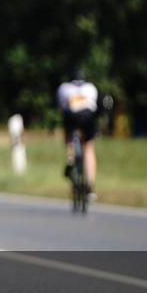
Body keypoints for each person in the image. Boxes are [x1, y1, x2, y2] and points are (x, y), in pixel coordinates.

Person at [57, 69, 99, 200]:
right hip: (88, 117)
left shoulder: (64, 88)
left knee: (69, 137)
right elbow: (95, 107)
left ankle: (70, 158)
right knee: (88, 147)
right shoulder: (91, 87)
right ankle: (90, 186)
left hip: (71, 117)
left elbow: (61, 108)